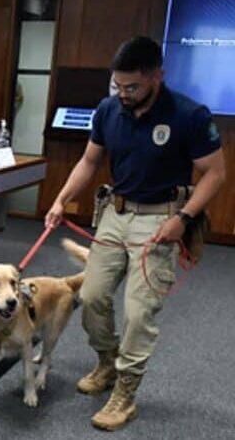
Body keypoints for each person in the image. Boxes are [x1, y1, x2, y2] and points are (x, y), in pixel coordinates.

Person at [45, 36, 225, 431]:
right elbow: (89, 161)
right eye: (118, 86)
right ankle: (108, 362)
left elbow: (216, 173)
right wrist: (61, 200)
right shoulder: (109, 110)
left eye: (133, 87)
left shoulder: (189, 115)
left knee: (139, 312)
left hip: (161, 219)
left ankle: (125, 393)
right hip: (115, 211)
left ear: (158, 76)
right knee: (91, 297)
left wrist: (186, 218)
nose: (124, 94)